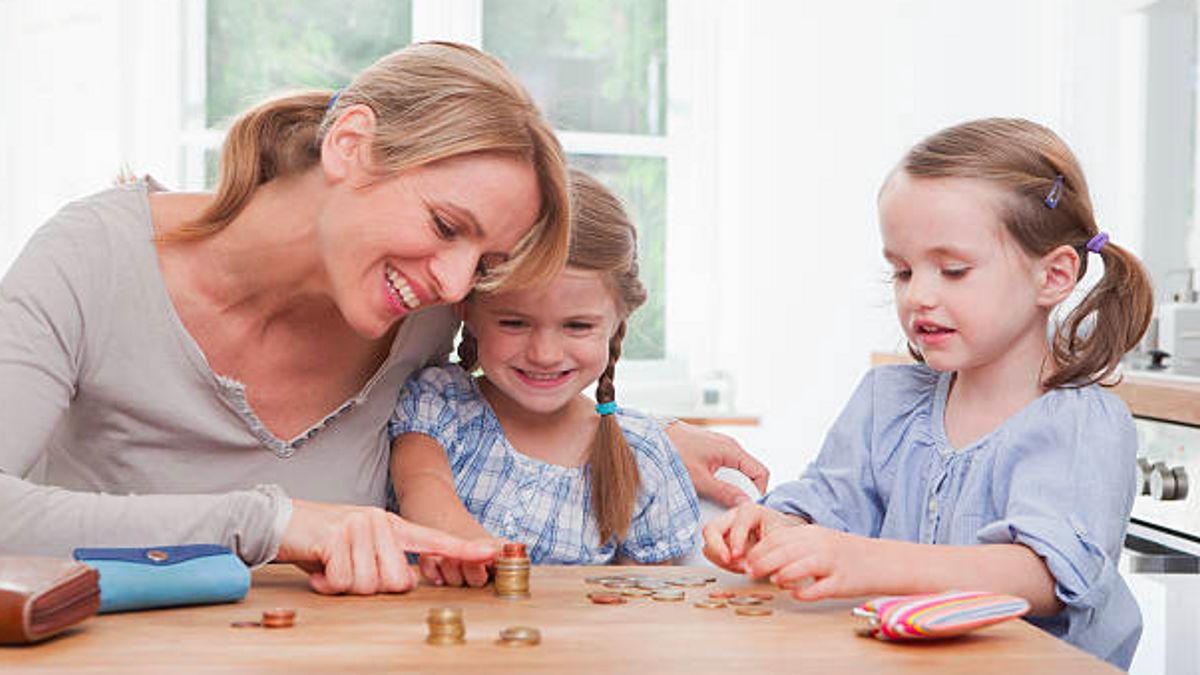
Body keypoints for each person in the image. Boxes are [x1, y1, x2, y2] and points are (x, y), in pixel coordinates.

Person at [0, 41, 766, 596]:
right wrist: (272, 522)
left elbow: (520, 371)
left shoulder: (420, 317)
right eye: (445, 225)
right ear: (350, 144)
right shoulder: (92, 258)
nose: (455, 283)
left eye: (485, 262)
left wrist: (648, 433)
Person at [702, 118, 1151, 668]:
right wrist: (778, 530)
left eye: (953, 270)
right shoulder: (887, 401)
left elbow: (1043, 576)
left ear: (1054, 276)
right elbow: (829, 505)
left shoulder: (1081, 423)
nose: (918, 295)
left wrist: (867, 562)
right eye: (902, 272)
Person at [390, 170, 700, 586]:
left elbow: (649, 602)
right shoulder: (439, 404)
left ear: (619, 317)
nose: (544, 354)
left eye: (577, 326)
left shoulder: (643, 456)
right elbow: (422, 484)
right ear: (468, 309)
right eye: (514, 322)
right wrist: (465, 542)